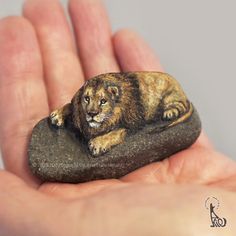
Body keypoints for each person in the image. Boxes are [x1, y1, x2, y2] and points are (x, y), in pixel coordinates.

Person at [0, 0, 235, 235]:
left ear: (113, 98)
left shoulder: (128, 105)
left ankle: (174, 106)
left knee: (155, 108)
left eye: (101, 102)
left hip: (163, 93)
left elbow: (124, 131)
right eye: (87, 100)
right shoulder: (83, 100)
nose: (91, 109)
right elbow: (79, 105)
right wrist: (66, 111)